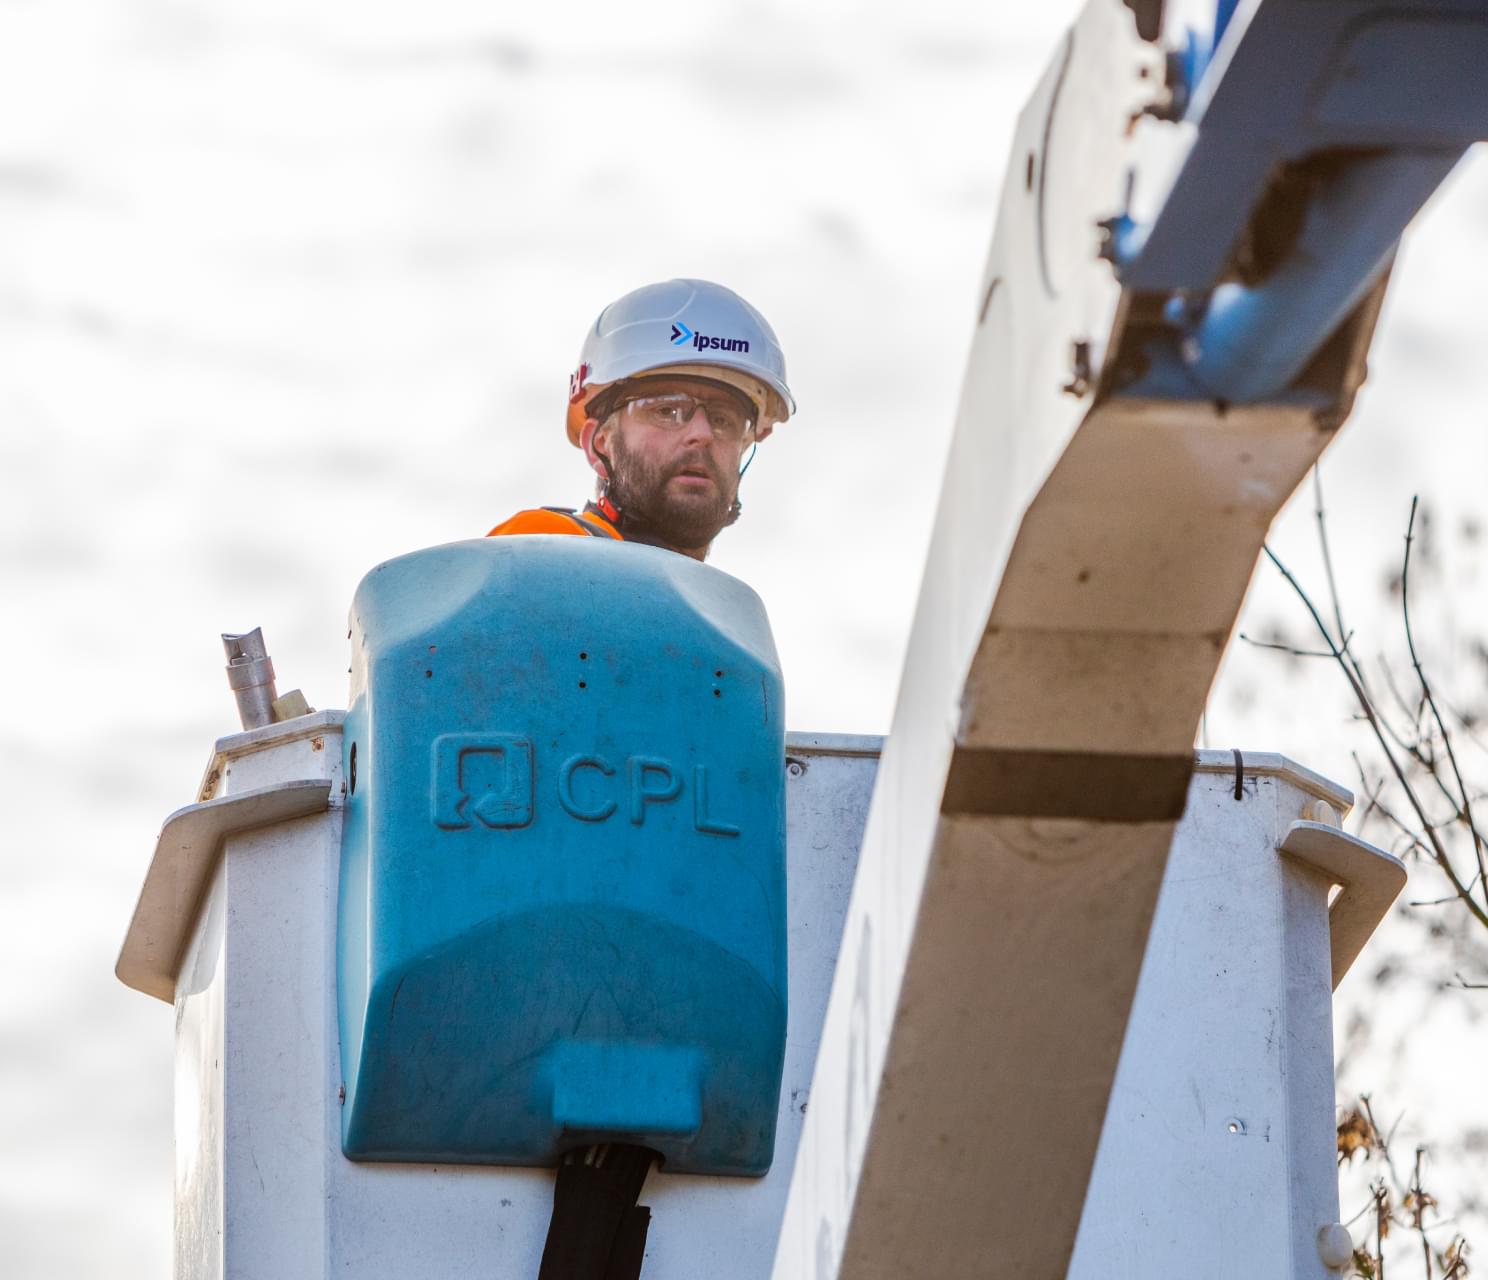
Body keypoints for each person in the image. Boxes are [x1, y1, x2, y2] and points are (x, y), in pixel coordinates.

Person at [489, 278, 795, 561]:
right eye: (667, 411)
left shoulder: (722, 606)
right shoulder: (545, 545)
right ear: (600, 444)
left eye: (723, 419)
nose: (702, 433)